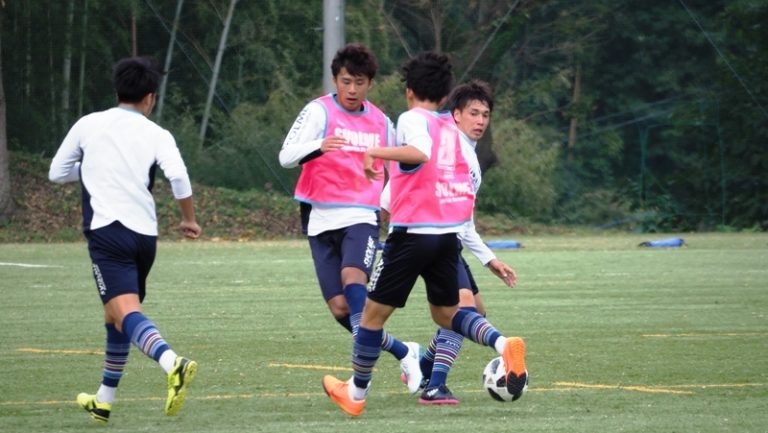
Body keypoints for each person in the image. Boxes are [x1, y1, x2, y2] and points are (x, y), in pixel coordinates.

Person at [322, 51, 528, 417]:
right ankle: (502, 344)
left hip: (412, 235)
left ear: (409, 91)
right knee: (448, 314)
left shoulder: (413, 119)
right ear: (448, 99)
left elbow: (419, 153)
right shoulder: (452, 132)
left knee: (370, 318)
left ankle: (355, 392)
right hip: (447, 236)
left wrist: (374, 152)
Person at [49, 56, 201, 424]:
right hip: (145, 237)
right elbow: (179, 178)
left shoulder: (89, 124)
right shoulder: (157, 133)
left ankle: (172, 362)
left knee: (126, 311)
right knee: (114, 315)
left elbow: (57, 172)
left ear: (117, 90)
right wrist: (188, 219)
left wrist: (93, 168)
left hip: (107, 233)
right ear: (150, 97)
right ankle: (104, 399)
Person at [278, 43, 423, 393]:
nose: (352, 89)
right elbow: (285, 156)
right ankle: (404, 351)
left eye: (359, 82)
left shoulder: (382, 122)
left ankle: (361, 376)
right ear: (335, 80)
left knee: (353, 278)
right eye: (346, 81)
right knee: (340, 307)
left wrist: (397, 209)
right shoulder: (318, 112)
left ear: (370, 83)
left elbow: (400, 169)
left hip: (361, 214)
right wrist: (319, 146)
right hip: (318, 216)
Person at [416, 80, 517, 404]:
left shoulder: (468, 156)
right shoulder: (445, 147)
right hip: (429, 238)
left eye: (485, 114)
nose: (480, 120)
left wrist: (490, 259)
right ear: (456, 114)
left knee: (476, 312)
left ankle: (422, 365)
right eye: (473, 113)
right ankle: (434, 387)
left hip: (448, 242)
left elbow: (465, 221)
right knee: (463, 309)